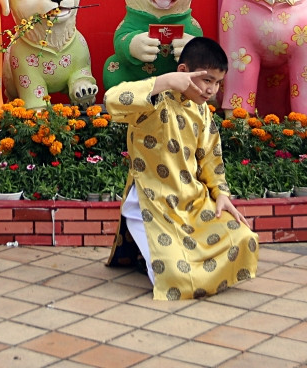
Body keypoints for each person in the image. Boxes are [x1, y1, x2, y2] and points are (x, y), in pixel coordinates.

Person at [104, 37, 259, 301]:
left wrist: (221, 194)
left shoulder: (203, 111)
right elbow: (112, 99)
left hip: (192, 201)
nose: (211, 89)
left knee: (244, 239)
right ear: (184, 71)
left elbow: (211, 158)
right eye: (207, 80)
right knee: (176, 278)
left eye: (217, 83)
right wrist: (165, 81)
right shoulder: (154, 99)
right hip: (152, 202)